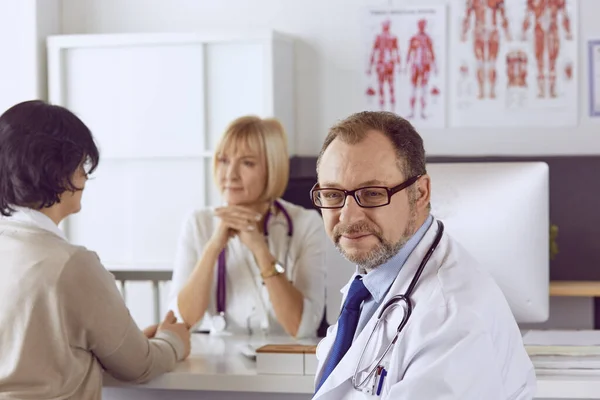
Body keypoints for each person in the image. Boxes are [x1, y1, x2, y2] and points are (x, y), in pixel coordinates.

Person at [310, 111, 535, 399]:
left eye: (372, 194)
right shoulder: (374, 280)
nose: (348, 215)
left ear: (421, 192)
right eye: (332, 194)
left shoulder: (452, 319)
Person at [0, 100, 191, 399]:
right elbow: (140, 366)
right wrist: (174, 340)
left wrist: (123, 341)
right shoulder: (71, 264)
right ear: (56, 170)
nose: (85, 177)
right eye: (81, 165)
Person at [169, 115, 326, 338]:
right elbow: (181, 322)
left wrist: (260, 250)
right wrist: (214, 247)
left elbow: (301, 328)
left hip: (286, 364)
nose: (230, 174)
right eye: (223, 160)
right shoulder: (198, 223)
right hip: (220, 364)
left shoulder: (307, 224)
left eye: (247, 163)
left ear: (272, 169)